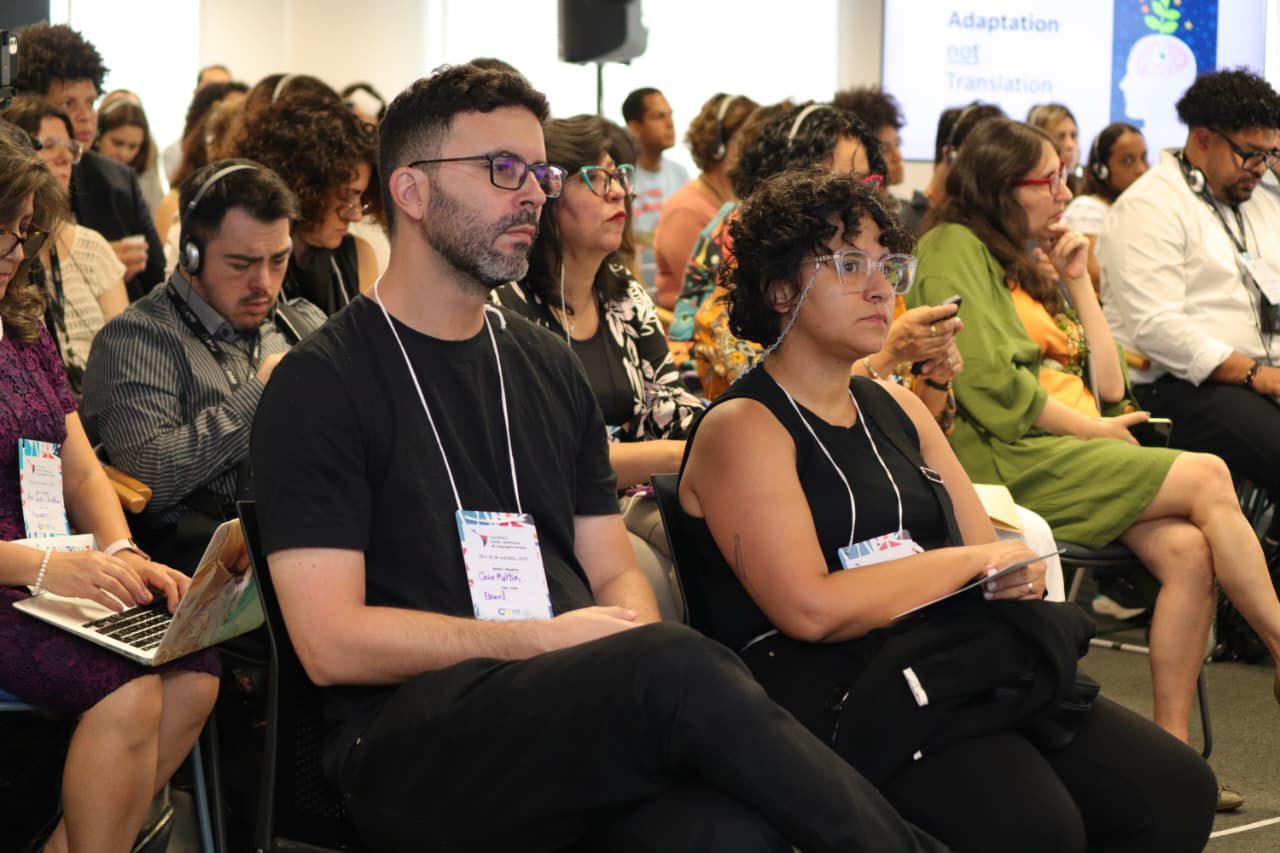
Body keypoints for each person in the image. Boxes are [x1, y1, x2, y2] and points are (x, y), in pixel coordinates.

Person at [249, 62, 948, 853]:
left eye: (538, 172)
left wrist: (621, 649)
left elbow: (612, 569)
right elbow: (329, 641)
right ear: (410, 192)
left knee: (729, 832)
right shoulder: (324, 383)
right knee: (679, 670)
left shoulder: (546, 365)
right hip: (410, 742)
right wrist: (549, 645)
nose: (533, 195)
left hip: (569, 709)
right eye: (501, 170)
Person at [676, 165, 1217, 853]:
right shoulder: (744, 426)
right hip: (838, 693)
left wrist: (1002, 568)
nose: (879, 286)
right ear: (779, 288)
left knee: (1177, 788)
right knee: (1038, 829)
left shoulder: (894, 403)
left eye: (887, 263)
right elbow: (809, 606)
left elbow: (977, 537)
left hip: (949, 658)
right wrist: (971, 562)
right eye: (846, 263)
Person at [910, 118, 1280, 802]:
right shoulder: (951, 244)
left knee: (1189, 550)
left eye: (1061, 175)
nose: (1062, 191)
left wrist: (1079, 280)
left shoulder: (1016, 257)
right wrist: (1091, 431)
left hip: (1055, 444)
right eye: (1046, 179)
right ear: (999, 186)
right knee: (1210, 472)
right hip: (1001, 459)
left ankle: (1171, 766)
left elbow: (1109, 384)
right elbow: (987, 381)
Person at [0, 126, 219, 853]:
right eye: (1, 230)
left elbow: (76, 456)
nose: (13, 252)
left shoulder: (20, 329)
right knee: (125, 690)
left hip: (49, 569)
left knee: (195, 670)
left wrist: (120, 548)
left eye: (22, 232)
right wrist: (41, 565)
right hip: (16, 575)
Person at [493, 115, 704, 619]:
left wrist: (716, 436)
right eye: (598, 179)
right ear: (548, 194)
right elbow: (549, 458)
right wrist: (679, 455)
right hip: (556, 517)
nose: (619, 196)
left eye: (621, 179)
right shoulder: (506, 305)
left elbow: (670, 406)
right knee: (662, 579)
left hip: (636, 496)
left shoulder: (623, 294)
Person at [82, 160, 326, 572]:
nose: (264, 283)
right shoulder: (138, 339)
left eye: (278, 260)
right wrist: (262, 395)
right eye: (241, 264)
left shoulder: (301, 325)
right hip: (211, 577)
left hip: (318, 546)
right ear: (191, 254)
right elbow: (148, 477)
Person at [1100, 69, 1280, 512]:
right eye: (1250, 155)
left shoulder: (1259, 202)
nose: (1260, 169)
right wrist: (1255, 375)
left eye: (1269, 155)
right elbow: (1156, 327)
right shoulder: (1149, 206)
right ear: (1203, 140)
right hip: (1176, 387)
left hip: (1256, 378)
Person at [14, 23, 166, 300]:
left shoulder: (118, 179)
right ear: (31, 106)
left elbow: (157, 277)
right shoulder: (13, 182)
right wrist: (93, 262)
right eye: (68, 103)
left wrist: (111, 271)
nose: (85, 116)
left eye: (91, 102)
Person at [2, 96, 129, 395]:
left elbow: (128, 355)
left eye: (69, 147)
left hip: (102, 402)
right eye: (49, 145)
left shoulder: (91, 246)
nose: (64, 158)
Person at [233, 94, 379, 314]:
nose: (355, 215)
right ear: (308, 189)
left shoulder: (358, 256)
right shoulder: (246, 260)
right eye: (345, 196)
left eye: (360, 197)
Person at [651, 93, 757, 311]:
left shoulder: (735, 198)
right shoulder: (686, 210)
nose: (756, 148)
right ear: (719, 145)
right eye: (747, 138)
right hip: (699, 334)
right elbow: (712, 294)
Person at [1061, 122, 1148, 291]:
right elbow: (1095, 278)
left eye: (1143, 158)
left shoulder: (1138, 211)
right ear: (1102, 170)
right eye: (1128, 161)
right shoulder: (1087, 209)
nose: (1141, 169)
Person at [93, 90, 165, 215]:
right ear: (98, 136)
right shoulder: (79, 171)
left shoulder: (147, 172)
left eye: (133, 146)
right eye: (117, 143)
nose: (124, 154)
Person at [1028, 103, 1082, 193]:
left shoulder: (1081, 184)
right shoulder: (1032, 190)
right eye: (1060, 137)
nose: (1070, 145)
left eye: (1073, 135)